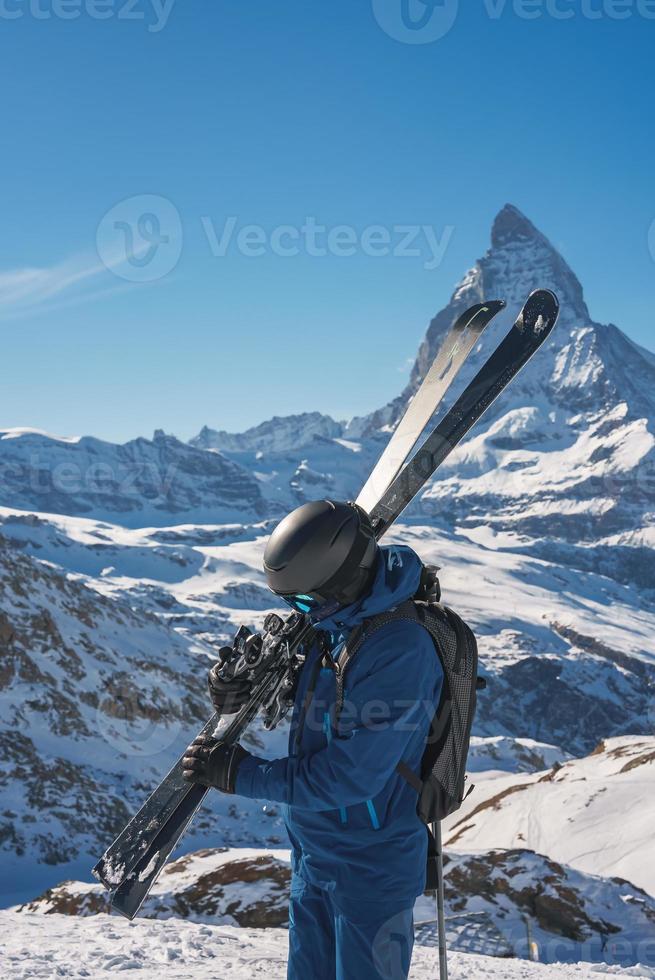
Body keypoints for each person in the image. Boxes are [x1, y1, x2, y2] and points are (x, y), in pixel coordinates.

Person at [183, 499, 444, 980]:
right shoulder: (334, 619)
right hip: (314, 855)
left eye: (305, 600)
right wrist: (233, 685)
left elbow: (349, 778)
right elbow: (284, 675)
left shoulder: (398, 649)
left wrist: (242, 774)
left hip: (371, 870)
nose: (300, 612)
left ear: (345, 580)